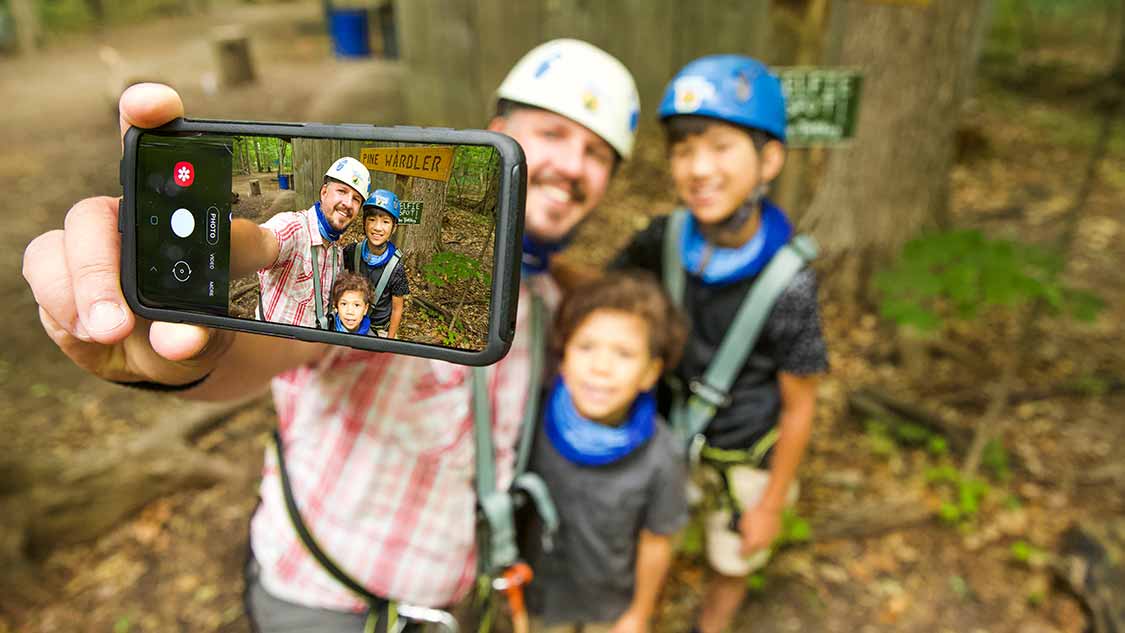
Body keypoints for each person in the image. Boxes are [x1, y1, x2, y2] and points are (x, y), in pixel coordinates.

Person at [22, 37, 640, 633]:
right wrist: (171, 361)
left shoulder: (557, 302)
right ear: (500, 134)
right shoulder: (344, 262)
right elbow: (273, 341)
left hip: (457, 606)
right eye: (554, 134)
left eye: (598, 154)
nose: (572, 166)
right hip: (323, 608)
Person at [609, 55, 829, 633]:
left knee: (731, 560)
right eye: (683, 150)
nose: (698, 168)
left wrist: (773, 500)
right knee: (651, 536)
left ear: (769, 159)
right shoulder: (663, 239)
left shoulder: (789, 279)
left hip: (745, 454)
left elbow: (800, 400)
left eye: (720, 147)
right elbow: (603, 291)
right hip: (668, 438)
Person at [526, 272, 688, 633]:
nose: (601, 367)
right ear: (563, 357)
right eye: (586, 347)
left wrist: (639, 615)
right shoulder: (532, 421)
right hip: (535, 601)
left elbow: (657, 540)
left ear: (650, 373)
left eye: (624, 354)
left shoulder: (663, 454)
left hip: (608, 609)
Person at [239, 156, 371, 330]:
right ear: (324, 192)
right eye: (342, 191)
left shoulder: (336, 251)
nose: (348, 203)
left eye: (356, 199)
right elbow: (261, 242)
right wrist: (238, 245)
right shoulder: (294, 229)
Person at [342, 189, 408, 339]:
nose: (378, 227)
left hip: (379, 330)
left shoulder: (395, 267)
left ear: (394, 227)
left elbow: (397, 308)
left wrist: (389, 339)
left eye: (385, 222)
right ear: (364, 222)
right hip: (351, 322)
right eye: (372, 219)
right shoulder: (352, 252)